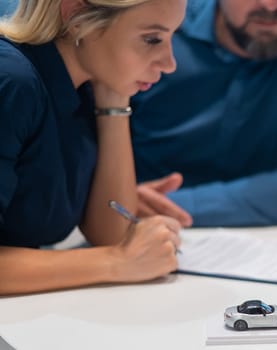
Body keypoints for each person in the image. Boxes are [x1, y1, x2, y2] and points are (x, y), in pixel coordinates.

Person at [0, 0, 186, 295]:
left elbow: (111, 233)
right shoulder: (10, 81)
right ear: (76, 16)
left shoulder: (85, 81)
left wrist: (113, 101)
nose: (169, 63)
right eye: (152, 39)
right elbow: (115, 250)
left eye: (172, 37)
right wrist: (116, 262)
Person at [129, 0, 277, 227]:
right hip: (128, 231)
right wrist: (116, 200)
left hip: (257, 243)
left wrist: (158, 205)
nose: (270, 6)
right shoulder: (162, 28)